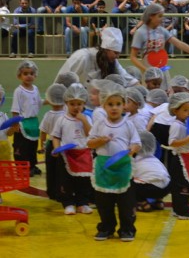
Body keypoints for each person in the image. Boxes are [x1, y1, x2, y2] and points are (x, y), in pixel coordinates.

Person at [87, 84, 141, 241]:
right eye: (110, 104)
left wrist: (133, 148)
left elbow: (137, 143)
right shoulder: (99, 124)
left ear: (123, 105)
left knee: (126, 203)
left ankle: (127, 229)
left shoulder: (129, 124)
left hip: (123, 168)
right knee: (104, 203)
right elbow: (89, 143)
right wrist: (99, 140)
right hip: (104, 168)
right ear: (103, 105)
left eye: (118, 104)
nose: (114, 108)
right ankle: (106, 227)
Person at [55, 27, 139, 109]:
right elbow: (62, 80)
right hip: (75, 106)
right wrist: (57, 101)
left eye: (118, 54)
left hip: (94, 108)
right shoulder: (82, 57)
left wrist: (142, 93)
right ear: (105, 50)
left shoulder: (112, 62)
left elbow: (128, 79)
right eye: (115, 53)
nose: (117, 57)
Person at [130, 3, 189, 74]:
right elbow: (133, 57)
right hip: (148, 71)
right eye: (159, 16)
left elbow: (179, 44)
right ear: (151, 16)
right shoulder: (140, 32)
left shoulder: (162, 30)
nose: (162, 19)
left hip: (162, 69)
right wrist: (146, 70)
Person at [51, 83, 93, 215]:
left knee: (84, 181)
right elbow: (55, 136)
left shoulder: (87, 118)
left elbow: (90, 134)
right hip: (66, 155)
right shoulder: (61, 119)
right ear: (66, 103)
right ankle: (68, 203)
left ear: (84, 103)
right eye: (72, 104)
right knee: (66, 181)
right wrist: (56, 149)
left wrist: (84, 121)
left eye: (79, 104)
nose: (76, 107)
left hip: (83, 153)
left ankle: (82, 203)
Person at [168, 92, 189, 219]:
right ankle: (181, 210)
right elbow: (172, 143)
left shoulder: (187, 124)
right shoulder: (176, 125)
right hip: (180, 159)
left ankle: (183, 206)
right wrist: (188, 140)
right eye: (185, 110)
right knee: (182, 185)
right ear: (175, 110)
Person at [11, 60, 43, 177]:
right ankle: (22, 168)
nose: (28, 76)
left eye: (31, 73)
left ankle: (32, 165)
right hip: (22, 123)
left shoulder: (35, 89)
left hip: (33, 122)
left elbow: (39, 103)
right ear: (20, 75)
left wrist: (50, 101)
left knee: (32, 146)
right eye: (25, 73)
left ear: (35, 75)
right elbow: (15, 109)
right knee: (22, 147)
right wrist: (15, 124)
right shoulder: (18, 91)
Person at [39, 83, 66, 200]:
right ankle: (62, 192)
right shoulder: (66, 114)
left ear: (49, 100)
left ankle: (51, 191)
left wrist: (42, 145)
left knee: (51, 170)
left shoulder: (48, 115)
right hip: (63, 145)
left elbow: (43, 132)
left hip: (51, 145)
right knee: (62, 170)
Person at [133, 131, 171, 212]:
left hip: (151, 189)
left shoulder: (136, 161)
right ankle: (159, 201)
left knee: (130, 184)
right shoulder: (156, 160)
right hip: (167, 188)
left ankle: (144, 204)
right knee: (155, 180)